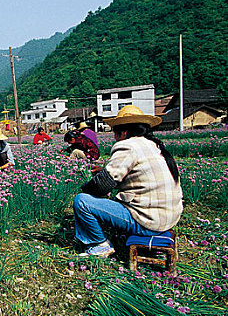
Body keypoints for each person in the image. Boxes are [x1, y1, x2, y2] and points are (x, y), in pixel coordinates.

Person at [73, 105, 183, 257]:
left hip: (148, 222)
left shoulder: (127, 146)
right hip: (170, 217)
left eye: (115, 133)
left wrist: (85, 188)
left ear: (123, 132)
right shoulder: (154, 145)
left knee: (82, 201)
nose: (115, 137)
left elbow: (102, 186)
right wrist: (104, 171)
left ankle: (99, 244)